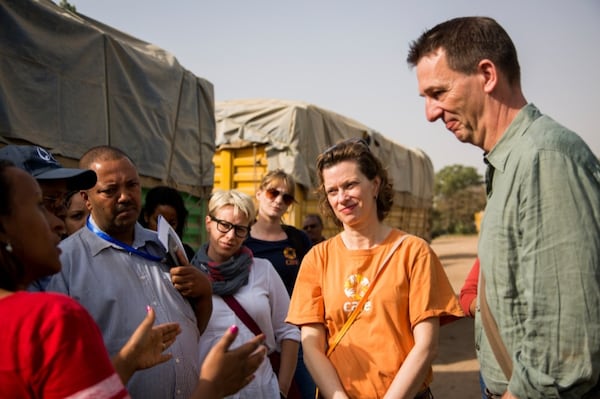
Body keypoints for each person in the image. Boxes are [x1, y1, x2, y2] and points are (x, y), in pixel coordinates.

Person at [407, 16, 600, 398]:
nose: (430, 113)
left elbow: (564, 344)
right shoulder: (508, 162)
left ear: (487, 74)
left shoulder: (545, 158)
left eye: (438, 93)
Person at [286, 138, 463, 398]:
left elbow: (426, 345)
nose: (342, 197)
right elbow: (311, 344)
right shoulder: (317, 259)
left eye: (350, 185)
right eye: (332, 190)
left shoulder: (414, 252)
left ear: (375, 184)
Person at [45, 145, 213, 398]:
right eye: (110, 190)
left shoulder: (166, 245)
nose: (124, 196)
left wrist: (204, 294)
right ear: (87, 199)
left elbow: (193, 325)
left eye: (132, 185)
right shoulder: (64, 263)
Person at [191, 189, 300, 398]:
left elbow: (290, 332)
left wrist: (282, 389)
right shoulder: (190, 276)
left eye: (240, 229)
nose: (230, 236)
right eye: (224, 225)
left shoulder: (263, 270)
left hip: (262, 390)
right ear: (208, 222)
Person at [244, 169, 315, 398]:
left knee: (306, 391)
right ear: (259, 193)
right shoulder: (241, 238)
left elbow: (314, 285)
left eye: (286, 197)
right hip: (255, 335)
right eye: (273, 192)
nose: (278, 201)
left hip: (296, 337)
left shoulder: (298, 240)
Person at [139, 185, 196, 260]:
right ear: (146, 216)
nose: (164, 230)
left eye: (172, 224)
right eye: (159, 222)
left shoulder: (186, 255)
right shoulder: (136, 250)